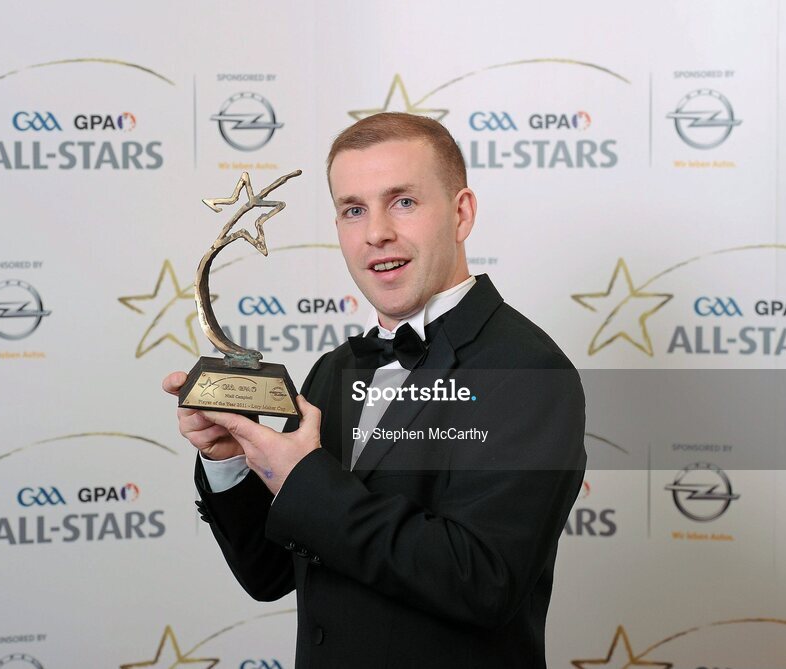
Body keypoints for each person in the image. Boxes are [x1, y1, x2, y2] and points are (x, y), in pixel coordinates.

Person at [162, 112, 586, 668]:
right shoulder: (332, 370)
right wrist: (233, 463)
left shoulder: (528, 372)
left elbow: (485, 583)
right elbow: (268, 576)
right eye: (353, 209)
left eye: (403, 201)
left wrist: (303, 480)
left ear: (461, 214)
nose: (375, 232)